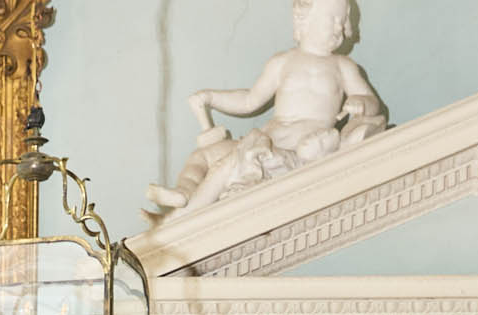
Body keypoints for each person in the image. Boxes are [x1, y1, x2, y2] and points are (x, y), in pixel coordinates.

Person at [146, 0, 386, 219]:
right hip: (265, 139)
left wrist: (362, 103)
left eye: (343, 20)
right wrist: (212, 98)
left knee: (225, 166)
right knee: (202, 157)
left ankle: (181, 217)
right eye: (333, 18)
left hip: (295, 149)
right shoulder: (282, 62)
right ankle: (183, 192)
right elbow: (249, 100)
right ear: (304, 18)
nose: (340, 26)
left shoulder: (343, 66)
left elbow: (370, 100)